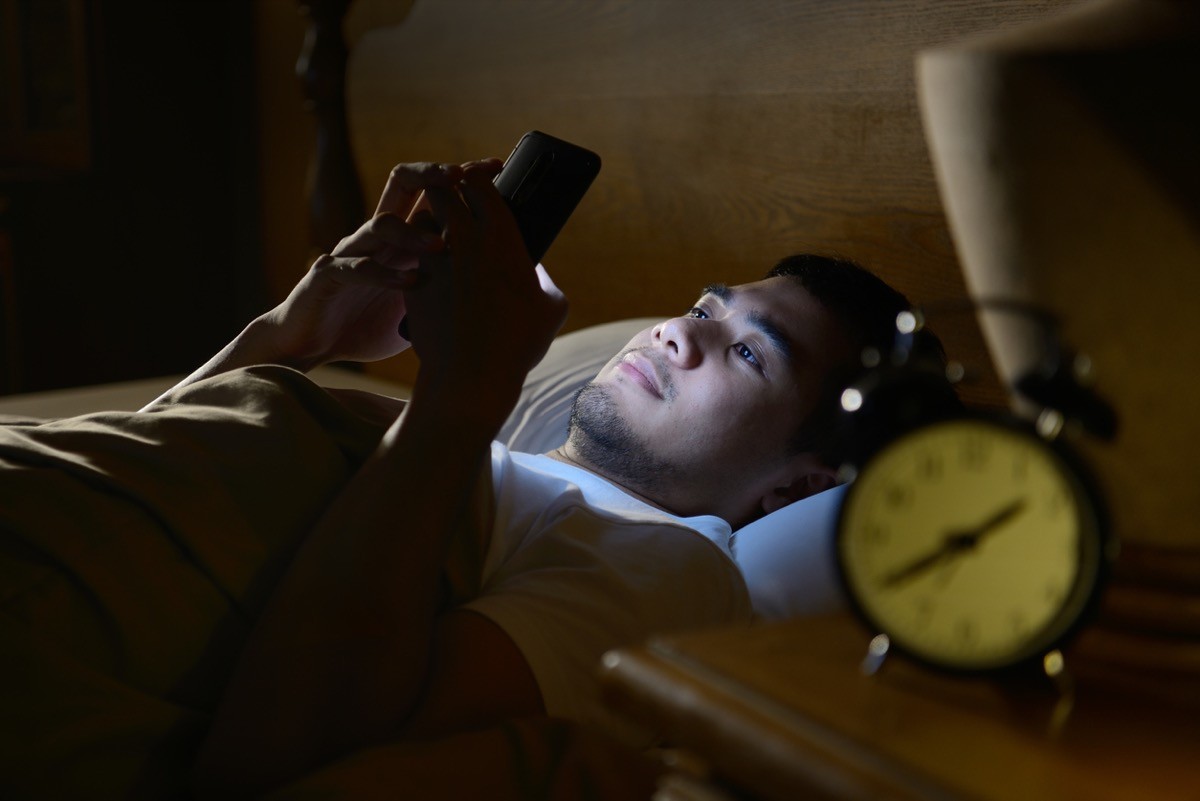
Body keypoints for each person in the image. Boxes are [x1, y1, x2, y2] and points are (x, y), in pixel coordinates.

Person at [0, 159, 921, 800]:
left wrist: (460, 391)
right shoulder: (468, 453)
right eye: (701, 309)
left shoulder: (673, 565)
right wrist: (292, 334)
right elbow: (134, 477)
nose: (679, 333)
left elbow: (294, 759)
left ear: (796, 490)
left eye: (749, 353)